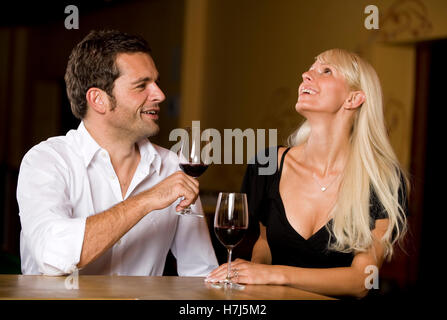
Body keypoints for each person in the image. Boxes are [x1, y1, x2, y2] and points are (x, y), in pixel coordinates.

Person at [206, 48, 409, 298]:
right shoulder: (267, 164)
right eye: (310, 69)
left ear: (353, 99)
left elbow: (362, 280)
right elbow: (265, 242)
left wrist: (275, 275)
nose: (306, 75)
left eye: (326, 70)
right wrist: (254, 274)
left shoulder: (382, 179)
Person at [17, 30, 218, 276]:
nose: (160, 94)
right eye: (141, 85)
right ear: (98, 100)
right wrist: (146, 201)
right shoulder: (46, 161)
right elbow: (53, 256)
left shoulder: (174, 167)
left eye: (155, 82)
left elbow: (200, 273)